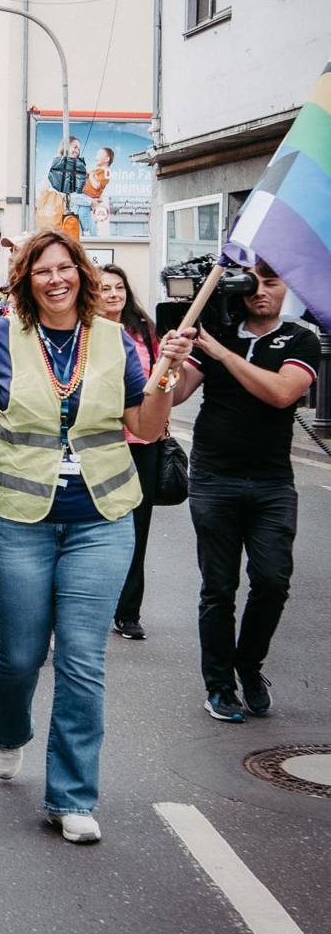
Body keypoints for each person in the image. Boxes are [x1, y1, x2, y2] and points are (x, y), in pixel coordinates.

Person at [0, 230, 192, 844]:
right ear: (25, 281)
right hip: (21, 518)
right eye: (42, 271)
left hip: (102, 517)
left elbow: (145, 426)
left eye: (65, 267)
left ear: (82, 274)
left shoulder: (114, 339)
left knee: (82, 659)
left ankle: (71, 796)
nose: (56, 279)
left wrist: (165, 375)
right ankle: (7, 728)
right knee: (21, 654)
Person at [171, 260, 320, 723]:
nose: (260, 291)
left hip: (272, 482)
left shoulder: (299, 339)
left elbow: (282, 393)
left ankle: (249, 666)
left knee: (273, 581)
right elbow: (175, 395)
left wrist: (222, 354)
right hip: (214, 478)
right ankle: (219, 686)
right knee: (218, 588)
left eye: (271, 283)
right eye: (253, 282)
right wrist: (172, 358)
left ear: (285, 288)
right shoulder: (215, 333)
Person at [99, 265, 164, 642]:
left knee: (137, 528)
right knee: (97, 526)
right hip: (101, 442)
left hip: (142, 444)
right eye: (105, 288)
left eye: (119, 287)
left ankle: (128, 611)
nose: (113, 294)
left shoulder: (144, 331)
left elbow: (162, 381)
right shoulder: (85, 331)